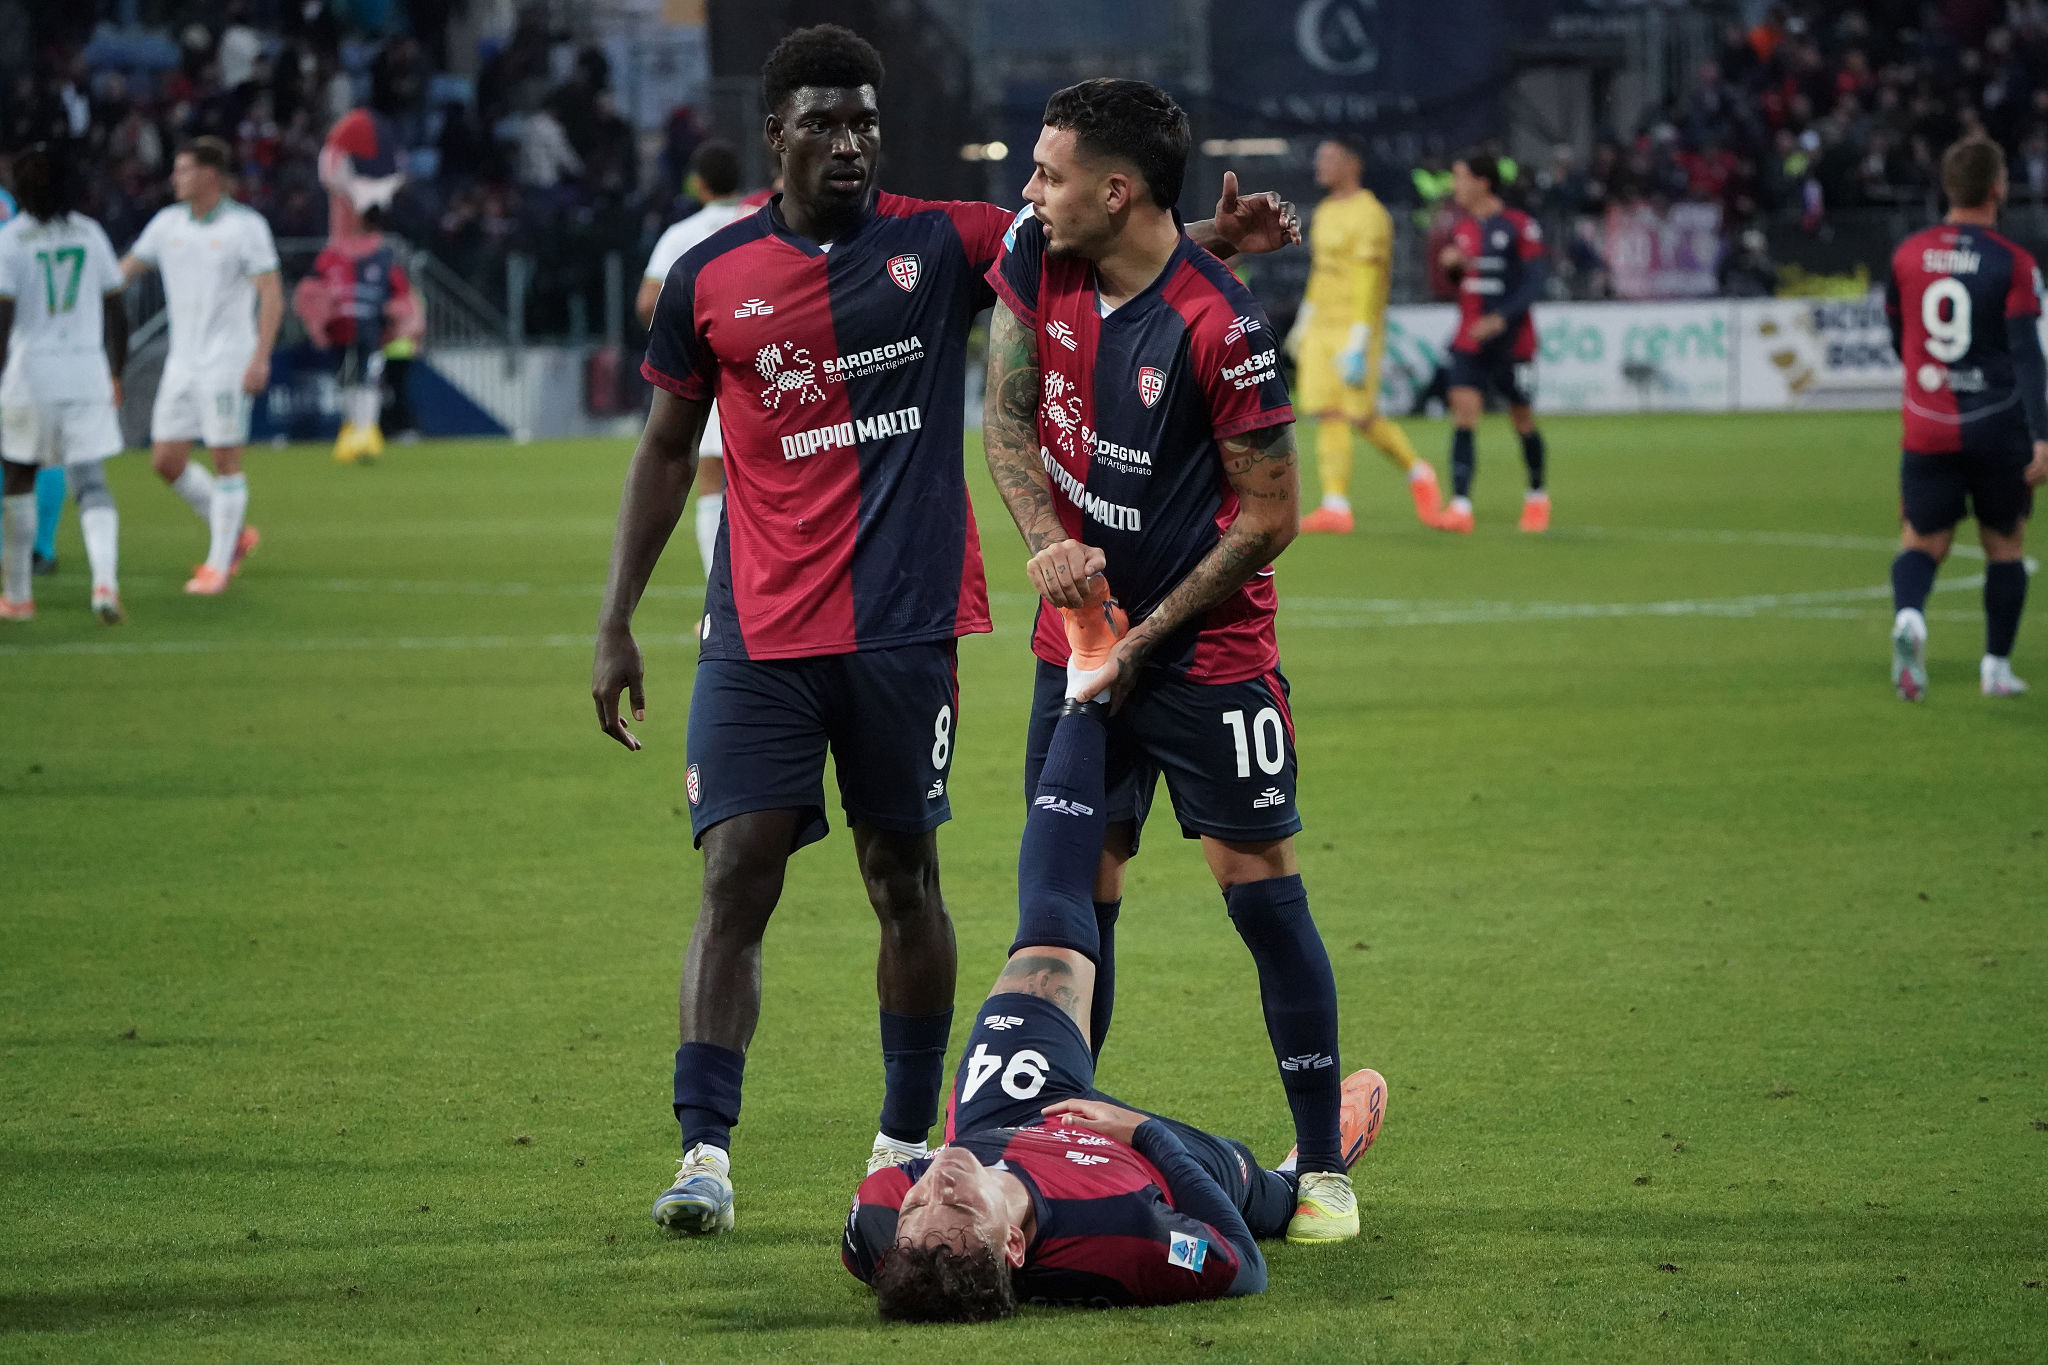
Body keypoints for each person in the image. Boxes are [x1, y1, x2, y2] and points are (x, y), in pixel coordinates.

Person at [590, 24, 1298, 1237]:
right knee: (735, 871)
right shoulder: (712, 276)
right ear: (777, 136)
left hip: (905, 629)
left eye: (865, 119)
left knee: (900, 877)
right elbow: (664, 453)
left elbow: (1099, 250)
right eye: (824, 121)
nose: (850, 140)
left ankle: (905, 1136)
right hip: (755, 631)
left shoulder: (948, 241)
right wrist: (613, 623)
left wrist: (1211, 245)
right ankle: (703, 1152)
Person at [981, 78, 1360, 1244]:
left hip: (1205, 659)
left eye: (1046, 173)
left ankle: (1325, 1167)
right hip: (1076, 647)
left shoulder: (1220, 325)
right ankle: (1058, 1143)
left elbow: (1268, 519)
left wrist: (1136, 641)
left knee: (1260, 895)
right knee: (1072, 915)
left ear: (1115, 189)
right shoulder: (1036, 258)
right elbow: (1003, 424)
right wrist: (1049, 548)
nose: (1027, 193)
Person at [841, 688, 1386, 1318]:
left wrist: (943, 1202)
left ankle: (1081, 694)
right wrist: (1148, 1135)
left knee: (1047, 931)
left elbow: (918, 1212)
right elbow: (1242, 1266)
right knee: (1260, 1197)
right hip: (1141, 1154)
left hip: (1011, 1107)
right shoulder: (1122, 1235)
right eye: (961, 1205)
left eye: (919, 1205)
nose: (939, 1181)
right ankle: (1306, 1170)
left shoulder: (883, 1224)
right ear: (1014, 1244)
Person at [1883, 138, 2048, 701]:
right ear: (1997, 187)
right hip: (1997, 426)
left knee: (1922, 540)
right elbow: (2028, 352)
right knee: (2005, 545)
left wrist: (1932, 378)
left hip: (1927, 424)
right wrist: (2042, 435)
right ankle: (1996, 669)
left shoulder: (1908, 255)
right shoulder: (2013, 261)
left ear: (1948, 189)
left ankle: (1910, 618)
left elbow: (1896, 336)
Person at [119, 137, 282, 596]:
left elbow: (271, 293)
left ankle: (218, 564)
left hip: (226, 360)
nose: (175, 178)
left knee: (225, 460)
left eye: (184, 170)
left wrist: (260, 356)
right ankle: (235, 534)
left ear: (210, 176)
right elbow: (124, 272)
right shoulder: (167, 223)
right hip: (182, 361)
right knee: (165, 461)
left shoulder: (245, 227)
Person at [0, 143, 128, 622]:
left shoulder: (11, 240)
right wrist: (116, 371)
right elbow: (117, 310)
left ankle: (17, 597)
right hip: (86, 372)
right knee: (90, 480)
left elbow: (2, 319)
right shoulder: (90, 234)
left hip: (29, 374)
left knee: (18, 476)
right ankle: (104, 585)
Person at [1287, 135, 1439, 532]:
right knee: (1326, 412)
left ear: (1352, 163)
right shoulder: (1322, 211)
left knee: (1361, 416)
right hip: (1322, 326)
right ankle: (1336, 504)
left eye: (1329, 157)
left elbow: (1369, 279)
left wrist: (1358, 339)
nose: (1320, 163)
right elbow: (1321, 273)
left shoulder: (1370, 214)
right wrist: (1305, 322)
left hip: (1355, 329)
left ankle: (1418, 470)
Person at [635, 140, 750, 578]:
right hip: (770, 363)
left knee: (709, 479)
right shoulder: (762, 219)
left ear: (697, 184)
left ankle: (719, 592)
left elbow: (648, 302)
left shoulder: (682, 234)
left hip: (711, 368)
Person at [1434, 152, 1550, 536]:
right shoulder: (1462, 228)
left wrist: (1500, 319)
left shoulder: (1519, 225)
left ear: (1483, 182)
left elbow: (1535, 282)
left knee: (1522, 419)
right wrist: (1451, 267)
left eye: (1461, 177)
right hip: (1469, 340)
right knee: (1463, 417)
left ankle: (1536, 497)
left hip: (1512, 342)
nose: (1455, 186)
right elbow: (1456, 283)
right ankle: (1461, 506)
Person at [296, 206, 424, 465]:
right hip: (340, 330)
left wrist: (404, 323)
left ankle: (366, 432)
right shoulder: (332, 257)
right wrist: (317, 322)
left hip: (372, 331)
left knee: (367, 379)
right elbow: (309, 290)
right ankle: (353, 430)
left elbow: (402, 295)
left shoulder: (382, 259)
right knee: (347, 380)